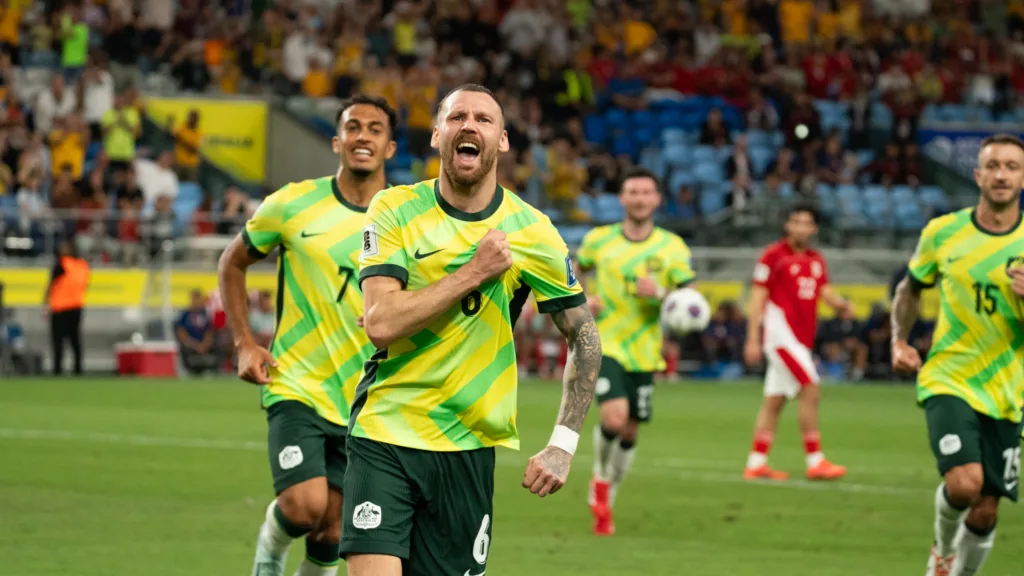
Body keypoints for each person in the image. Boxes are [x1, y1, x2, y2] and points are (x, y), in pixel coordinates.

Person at [343, 84, 601, 576]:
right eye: (457, 116)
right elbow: (380, 323)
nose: (469, 125)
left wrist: (563, 445)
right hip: (386, 432)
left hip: (469, 447)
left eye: (484, 120)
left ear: (502, 141)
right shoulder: (394, 208)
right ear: (438, 134)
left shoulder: (533, 230)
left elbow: (584, 337)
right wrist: (474, 272)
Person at [217, 94, 397, 576]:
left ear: (391, 147)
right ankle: (268, 561)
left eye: (374, 129)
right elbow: (232, 262)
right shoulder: (294, 203)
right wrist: (244, 343)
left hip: (366, 398)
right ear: (337, 141)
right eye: (353, 127)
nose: (363, 136)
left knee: (334, 530)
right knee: (303, 505)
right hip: (297, 383)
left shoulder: (406, 218)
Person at [890, 133, 1024, 576]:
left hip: (1008, 391)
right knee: (965, 485)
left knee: (986, 510)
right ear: (978, 174)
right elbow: (910, 290)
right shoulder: (943, 232)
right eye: (994, 166)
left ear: (1022, 178)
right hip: (950, 377)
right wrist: (899, 339)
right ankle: (942, 553)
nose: (1002, 174)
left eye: (1011, 166)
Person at [574, 166, 696, 536]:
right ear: (622, 198)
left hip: (646, 351)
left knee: (630, 430)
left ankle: (609, 490)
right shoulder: (599, 240)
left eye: (647, 192)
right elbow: (573, 275)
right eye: (633, 192)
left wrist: (659, 293)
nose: (640, 198)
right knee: (613, 418)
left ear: (657, 199)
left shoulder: (672, 248)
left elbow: (691, 302)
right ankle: (598, 478)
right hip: (605, 343)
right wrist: (582, 302)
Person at [742, 203, 853, 481]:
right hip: (781, 337)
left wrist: (840, 305)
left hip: (801, 340)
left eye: (806, 223)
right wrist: (752, 339)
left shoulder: (816, 259)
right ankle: (815, 460)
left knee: (774, 401)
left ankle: (756, 462)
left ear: (814, 229)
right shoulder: (773, 256)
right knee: (810, 388)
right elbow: (757, 299)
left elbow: (823, 290)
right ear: (787, 225)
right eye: (795, 222)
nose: (800, 228)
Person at [45, 240, 90, 375]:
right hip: (76, 307)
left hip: (60, 308)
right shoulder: (82, 265)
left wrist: (45, 303)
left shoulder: (61, 264)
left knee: (58, 341)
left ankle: (57, 370)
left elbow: (51, 285)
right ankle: (78, 370)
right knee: (75, 340)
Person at [174, 289, 218, 375]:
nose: (196, 302)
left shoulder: (205, 314)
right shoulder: (185, 315)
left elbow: (209, 332)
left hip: (203, 344)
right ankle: (187, 370)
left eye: (198, 299)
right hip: (190, 344)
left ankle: (214, 370)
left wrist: (204, 345)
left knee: (218, 345)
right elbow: (181, 333)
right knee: (184, 348)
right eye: (194, 299)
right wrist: (195, 345)